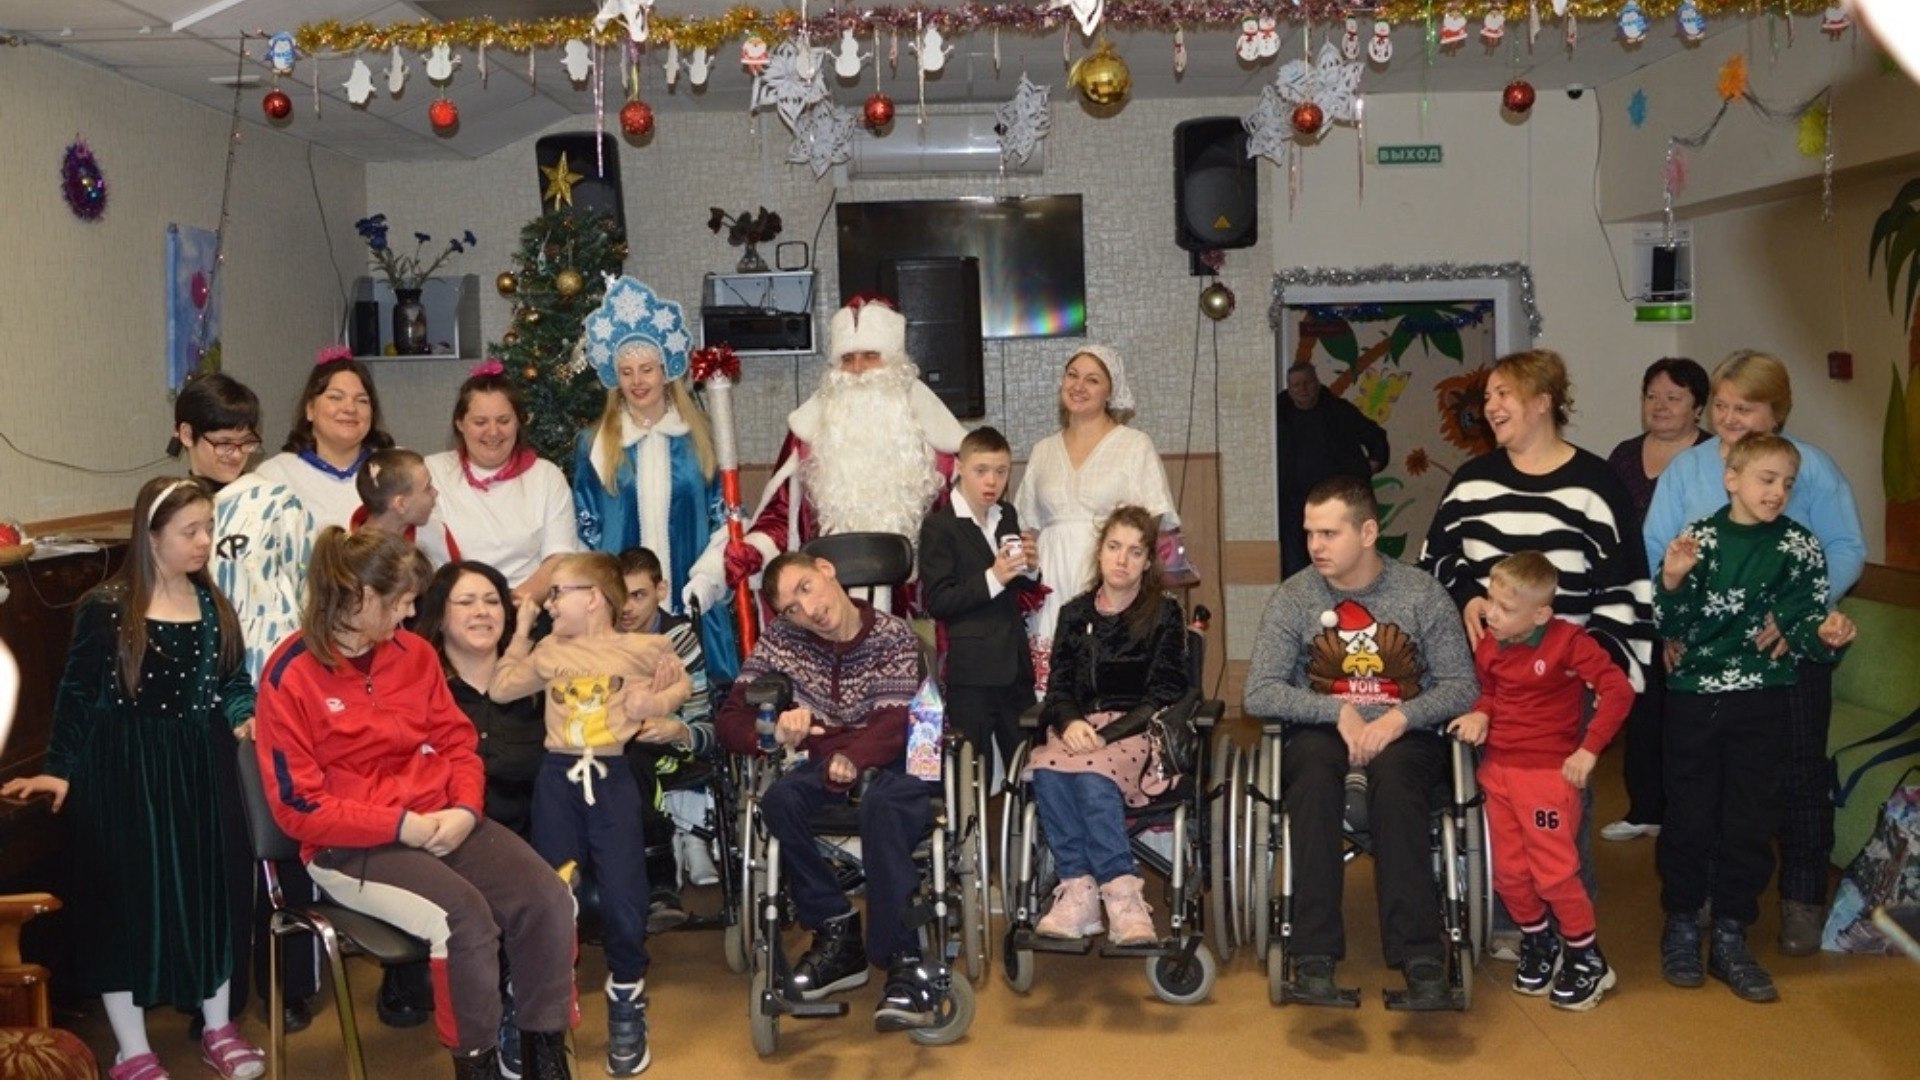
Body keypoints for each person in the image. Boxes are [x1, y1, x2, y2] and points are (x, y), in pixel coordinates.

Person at [252, 527, 576, 1080]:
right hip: (348, 846)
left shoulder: (415, 654)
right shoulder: (291, 675)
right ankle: (477, 1065)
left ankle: (543, 1057)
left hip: (441, 820)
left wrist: (465, 810)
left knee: (547, 898)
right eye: (401, 601)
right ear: (360, 598)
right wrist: (398, 825)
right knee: (464, 919)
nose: (410, 612)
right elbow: (296, 806)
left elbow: (458, 745)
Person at [2, 477, 266, 1080]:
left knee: (205, 896)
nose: (204, 541)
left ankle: (218, 1027)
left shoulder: (211, 603)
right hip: (121, 772)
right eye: (190, 531)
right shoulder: (106, 607)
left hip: (194, 769)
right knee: (124, 907)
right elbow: (76, 694)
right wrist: (58, 770)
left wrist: (242, 714)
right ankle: (132, 1048)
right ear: (151, 535)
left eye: (208, 528)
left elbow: (231, 679)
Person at [1418, 348, 1654, 959]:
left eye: (1503, 394)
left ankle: (1576, 930)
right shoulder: (1472, 480)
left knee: (1561, 800)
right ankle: (1515, 922)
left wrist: (1597, 673)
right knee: (1495, 795)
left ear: (1543, 401)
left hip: (1563, 681)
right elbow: (1436, 559)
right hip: (1490, 676)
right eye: (1487, 396)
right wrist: (1468, 596)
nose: (1490, 407)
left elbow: (1624, 586)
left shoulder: (1596, 484)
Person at [1641, 349, 1867, 958]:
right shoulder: (1688, 469)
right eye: (1721, 406)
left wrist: (1798, 616)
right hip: (1707, 656)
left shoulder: (1808, 467)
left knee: (1798, 773)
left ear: (1777, 412)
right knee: (1709, 784)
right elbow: (1657, 549)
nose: (1729, 418)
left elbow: (1846, 546)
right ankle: (1706, 897)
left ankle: (1801, 900)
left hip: (1787, 651)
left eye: (1746, 408)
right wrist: (1672, 628)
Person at [1243, 475, 1479, 1007]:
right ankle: (1314, 954)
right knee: (1312, 784)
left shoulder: (1420, 593)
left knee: (1397, 787)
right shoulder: (1296, 596)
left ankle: (1421, 955)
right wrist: (1337, 710)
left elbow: (1461, 685)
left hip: (1405, 735)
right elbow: (1259, 691)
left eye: (1329, 533)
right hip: (1322, 732)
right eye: (1310, 533)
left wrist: (1401, 718)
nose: (1315, 546)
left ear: (1368, 532)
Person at [713, 551, 940, 1032]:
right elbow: (731, 720)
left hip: (898, 761)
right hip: (824, 760)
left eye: (806, 588)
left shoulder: (893, 636)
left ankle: (903, 957)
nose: (808, 609)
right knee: (778, 800)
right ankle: (836, 928)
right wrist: (773, 731)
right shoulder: (783, 641)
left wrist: (855, 758)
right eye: (791, 607)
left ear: (826, 570)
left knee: (882, 806)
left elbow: (898, 721)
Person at [489, 552, 690, 1078]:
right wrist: (522, 632)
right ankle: (534, 1001)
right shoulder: (549, 651)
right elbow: (501, 687)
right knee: (554, 891)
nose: (551, 603)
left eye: (559, 593)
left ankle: (627, 993)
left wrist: (654, 703)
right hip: (557, 782)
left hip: (612, 779)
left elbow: (682, 687)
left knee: (625, 891)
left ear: (595, 598)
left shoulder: (644, 647)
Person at [170, 373, 322, 1034]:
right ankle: (215, 996)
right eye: (222, 443)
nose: (235, 455)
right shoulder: (167, 509)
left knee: (287, 842)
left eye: (245, 442)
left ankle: (290, 985)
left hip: (272, 702)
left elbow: (308, 592)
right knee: (216, 853)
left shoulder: (275, 502)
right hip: (199, 709)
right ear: (186, 436)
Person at [695, 296, 967, 614]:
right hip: (824, 603)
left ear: (895, 362)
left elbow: (966, 528)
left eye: (871, 356)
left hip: (915, 606)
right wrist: (753, 550)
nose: (858, 369)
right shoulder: (808, 436)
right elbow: (781, 515)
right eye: (848, 359)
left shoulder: (939, 443)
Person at [1446, 552, 1634, 1011]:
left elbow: (1619, 690)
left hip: (1547, 778)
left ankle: (1587, 957)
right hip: (1498, 773)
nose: (1491, 613)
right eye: (1490, 600)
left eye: (1506, 608)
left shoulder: (1569, 642)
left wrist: (1589, 749)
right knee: (1508, 874)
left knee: (1554, 875)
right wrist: (1480, 714)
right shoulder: (1490, 644)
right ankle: (1539, 941)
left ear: (1541, 614)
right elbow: (1490, 693)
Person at [1022, 506, 1188, 946]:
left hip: (1138, 729)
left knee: (1093, 777)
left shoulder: (1164, 614)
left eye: (1135, 552)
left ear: (1148, 562)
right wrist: (1071, 721)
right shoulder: (1074, 614)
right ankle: (1078, 890)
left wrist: (1105, 735)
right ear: (1100, 551)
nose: (1122, 559)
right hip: (1078, 727)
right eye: (1114, 547)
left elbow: (1164, 693)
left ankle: (1122, 895)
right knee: (1047, 771)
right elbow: (1058, 686)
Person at [573, 278, 739, 682]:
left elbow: (725, 517)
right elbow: (584, 525)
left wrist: (707, 579)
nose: (637, 382)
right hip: (621, 607)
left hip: (690, 594)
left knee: (694, 696)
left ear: (666, 371)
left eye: (647, 369)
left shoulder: (702, 437)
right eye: (626, 372)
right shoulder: (594, 443)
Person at [1014, 345, 1180, 692]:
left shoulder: (1135, 445)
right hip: (1052, 579)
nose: (1079, 386)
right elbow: (1027, 524)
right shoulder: (1043, 450)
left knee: (1107, 681)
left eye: (1092, 380)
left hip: (1114, 578)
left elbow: (1153, 526)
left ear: (1110, 392)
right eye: (1072, 376)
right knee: (1055, 687)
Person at [1600, 356, 1711, 843]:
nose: (1660, 406)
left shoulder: (1712, 457)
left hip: (1693, 604)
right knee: (1642, 707)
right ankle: (1644, 808)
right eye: (1652, 396)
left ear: (1698, 406)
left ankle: (1685, 816)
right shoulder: (1625, 455)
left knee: (1684, 716)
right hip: (1635, 601)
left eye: (1673, 397)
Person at [917, 426, 1043, 777]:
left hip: (1015, 663)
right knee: (973, 773)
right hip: (971, 672)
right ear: (959, 468)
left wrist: (1031, 569)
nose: (992, 481)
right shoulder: (940, 527)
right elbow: (938, 600)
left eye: (1001, 472)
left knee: (1029, 766)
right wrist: (994, 577)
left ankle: (1026, 816)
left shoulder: (1007, 515)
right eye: (981, 470)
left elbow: (1020, 585)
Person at [614, 546, 719, 930]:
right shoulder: (602, 636)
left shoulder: (679, 638)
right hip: (608, 741)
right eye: (619, 595)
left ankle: (659, 880)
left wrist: (677, 730)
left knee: (633, 758)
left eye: (638, 595)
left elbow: (704, 722)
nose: (626, 607)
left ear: (661, 590)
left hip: (670, 743)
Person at [421, 362, 582, 605]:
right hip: (448, 608)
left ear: (518, 422)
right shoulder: (430, 472)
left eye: (504, 420)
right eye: (480, 422)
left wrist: (504, 608)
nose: (493, 432)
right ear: (460, 423)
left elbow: (559, 559)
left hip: (524, 608)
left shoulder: (547, 476)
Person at [412, 561, 545, 839]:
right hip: (446, 846)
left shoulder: (538, 686)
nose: (482, 611)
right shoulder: (417, 692)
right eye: (466, 602)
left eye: (492, 601)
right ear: (439, 615)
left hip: (535, 848)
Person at [254, 349, 398, 532]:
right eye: (335, 397)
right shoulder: (274, 476)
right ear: (310, 409)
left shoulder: (399, 469)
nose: (350, 408)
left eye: (362, 400)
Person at [1275, 361, 1389, 579]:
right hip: (1293, 508)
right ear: (1289, 389)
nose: (1302, 389)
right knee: (1297, 572)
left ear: (1317, 383)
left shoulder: (1339, 411)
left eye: (1307, 383)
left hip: (1339, 505)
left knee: (1343, 566)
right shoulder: (1277, 416)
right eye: (1296, 385)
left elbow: (1376, 437)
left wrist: (1370, 467)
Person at [353, 447, 441, 540]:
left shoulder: (437, 535)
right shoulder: (349, 548)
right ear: (401, 504)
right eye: (428, 488)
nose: (435, 493)